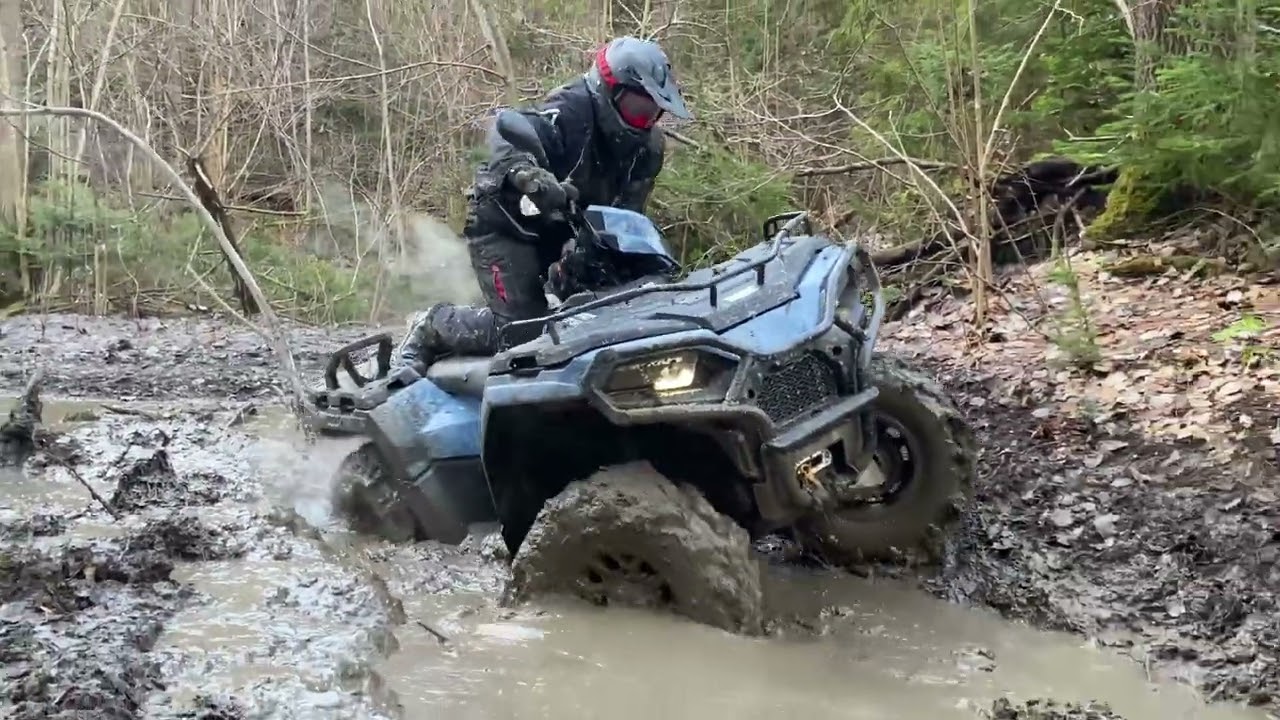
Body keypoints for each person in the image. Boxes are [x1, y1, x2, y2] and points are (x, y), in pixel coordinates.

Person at [395, 35, 691, 370]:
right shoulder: (570, 110)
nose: (646, 120)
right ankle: (433, 325)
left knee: (626, 308)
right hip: (508, 224)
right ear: (610, 91)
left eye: (653, 111)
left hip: (571, 228)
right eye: (638, 109)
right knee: (523, 334)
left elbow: (629, 214)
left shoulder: (648, 148)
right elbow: (507, 136)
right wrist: (526, 175)